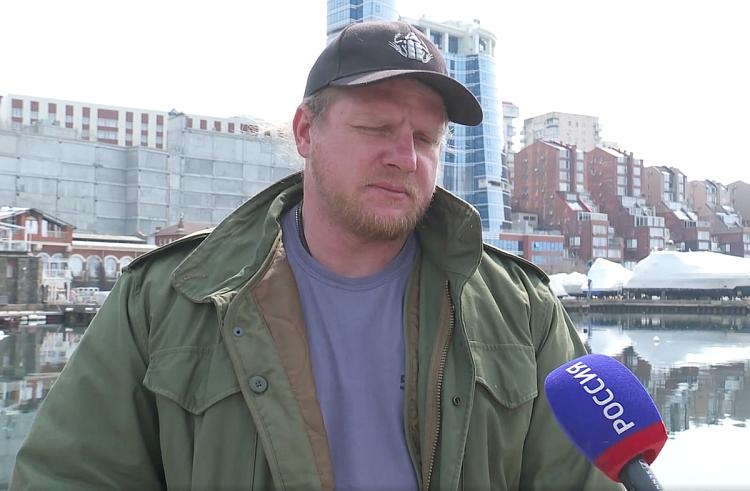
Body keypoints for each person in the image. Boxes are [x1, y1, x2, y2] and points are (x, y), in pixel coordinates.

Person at [11, 21, 621, 490]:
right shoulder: (165, 300)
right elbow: (71, 476)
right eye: (375, 129)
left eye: (425, 139)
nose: (404, 158)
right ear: (305, 131)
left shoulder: (524, 311)